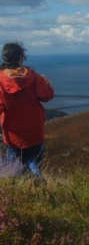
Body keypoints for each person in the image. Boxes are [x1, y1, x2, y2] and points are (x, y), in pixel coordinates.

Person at [0, 42, 54, 177]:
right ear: (21, 57)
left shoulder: (1, 80)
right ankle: (38, 179)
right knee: (33, 161)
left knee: (16, 168)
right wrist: (47, 84)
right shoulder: (33, 76)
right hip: (35, 130)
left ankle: (28, 183)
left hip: (13, 134)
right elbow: (47, 96)